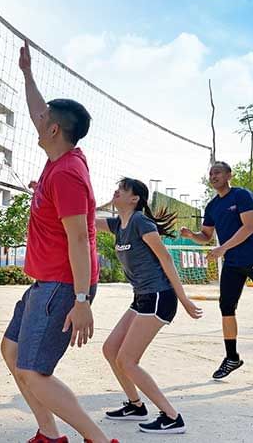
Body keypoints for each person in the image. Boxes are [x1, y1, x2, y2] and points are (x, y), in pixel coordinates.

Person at [1, 43, 118, 443]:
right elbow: (38, 110)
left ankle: (99, 440)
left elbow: (81, 242)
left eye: (44, 119)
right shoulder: (60, 158)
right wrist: (27, 74)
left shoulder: (66, 173)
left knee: (35, 370)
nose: (37, 120)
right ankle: (49, 435)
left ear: (53, 130)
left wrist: (82, 302)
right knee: (12, 353)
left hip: (64, 285)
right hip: (47, 281)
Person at [98, 178, 202, 434]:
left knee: (127, 359)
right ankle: (135, 405)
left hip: (160, 296)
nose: (116, 191)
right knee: (111, 349)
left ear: (134, 198)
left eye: (122, 189)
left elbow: (166, 259)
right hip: (142, 297)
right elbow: (81, 218)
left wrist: (184, 299)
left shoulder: (140, 222)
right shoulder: (117, 224)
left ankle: (172, 416)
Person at [180, 161, 253, 380]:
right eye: (210, 173)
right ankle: (232, 357)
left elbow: (249, 227)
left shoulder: (242, 195)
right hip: (232, 264)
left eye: (217, 172)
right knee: (226, 307)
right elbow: (206, 237)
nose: (213, 176)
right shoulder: (212, 206)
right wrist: (191, 235)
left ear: (228, 175)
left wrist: (223, 247)